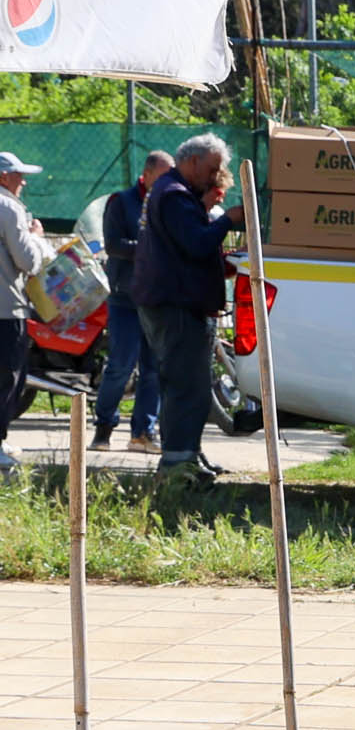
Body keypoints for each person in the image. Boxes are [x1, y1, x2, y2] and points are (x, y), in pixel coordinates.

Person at [132, 134, 244, 486]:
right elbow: (196, 243)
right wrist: (228, 221)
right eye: (211, 169)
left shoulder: (171, 192)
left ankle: (186, 455)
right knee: (185, 385)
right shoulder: (175, 196)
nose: (214, 176)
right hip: (175, 305)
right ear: (192, 162)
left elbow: (188, 247)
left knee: (190, 385)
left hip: (174, 301)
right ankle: (178, 463)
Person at [92, 151, 172, 453]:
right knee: (121, 365)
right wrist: (150, 248)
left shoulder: (171, 200)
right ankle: (103, 428)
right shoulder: (121, 202)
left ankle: (142, 433)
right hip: (125, 298)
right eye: (163, 176)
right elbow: (112, 245)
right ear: (147, 174)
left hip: (157, 299)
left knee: (153, 369)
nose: (168, 182)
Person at [0, 152, 51, 476]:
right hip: (6, 307)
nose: (24, 180)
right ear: (4, 177)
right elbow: (28, 260)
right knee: (7, 379)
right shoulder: (8, 207)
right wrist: (36, 237)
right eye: (19, 174)